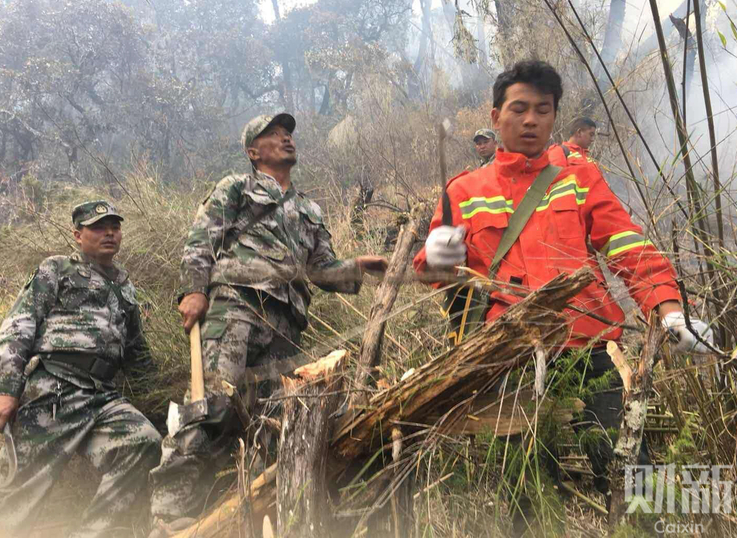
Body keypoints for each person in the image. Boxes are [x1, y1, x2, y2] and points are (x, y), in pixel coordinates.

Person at [413, 61, 713, 512]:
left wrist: (670, 310)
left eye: (542, 109)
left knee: (635, 484)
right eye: (518, 109)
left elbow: (626, 245)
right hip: (506, 360)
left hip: (587, 348)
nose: (530, 119)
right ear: (496, 117)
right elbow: (438, 274)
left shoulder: (577, 176)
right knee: (526, 497)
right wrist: (436, 259)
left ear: (554, 117)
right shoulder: (463, 190)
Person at [149, 113, 388, 534]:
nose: (285, 138)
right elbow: (200, 240)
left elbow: (322, 270)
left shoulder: (308, 209)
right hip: (234, 310)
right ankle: (169, 519)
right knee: (209, 411)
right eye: (273, 134)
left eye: (289, 133)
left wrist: (358, 267)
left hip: (284, 327)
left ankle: (260, 516)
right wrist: (193, 290)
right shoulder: (235, 188)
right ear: (253, 152)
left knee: (274, 423)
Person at [0, 200, 161, 538]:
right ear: (77, 234)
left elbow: (136, 352)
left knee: (143, 441)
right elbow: (18, 328)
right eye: (99, 227)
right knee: (20, 491)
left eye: (114, 226)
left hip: (102, 396)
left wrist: (169, 393)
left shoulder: (125, 287)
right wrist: (7, 389)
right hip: (53, 390)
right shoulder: (57, 270)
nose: (110, 233)